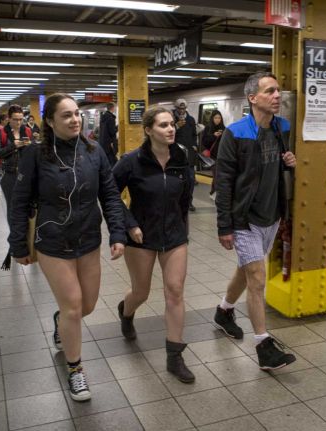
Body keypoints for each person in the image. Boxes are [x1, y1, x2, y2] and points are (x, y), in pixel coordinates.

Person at [8, 93, 126, 401]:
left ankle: (60, 321)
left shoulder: (94, 150)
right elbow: (19, 202)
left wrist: (117, 233)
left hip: (88, 238)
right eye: (66, 115)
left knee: (86, 306)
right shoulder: (35, 156)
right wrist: (17, 243)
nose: (75, 119)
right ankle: (75, 370)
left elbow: (110, 195)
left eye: (77, 114)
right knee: (74, 305)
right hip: (52, 240)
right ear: (50, 121)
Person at [212, 72, 298, 370]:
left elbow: (281, 164)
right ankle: (263, 345)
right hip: (244, 218)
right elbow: (223, 184)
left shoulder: (282, 127)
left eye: (279, 91)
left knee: (246, 270)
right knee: (257, 278)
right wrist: (224, 226)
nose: (278, 96)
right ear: (253, 98)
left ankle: (224, 311)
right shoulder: (235, 134)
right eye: (270, 91)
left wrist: (291, 162)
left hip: (271, 216)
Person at [112, 105, 196, 383]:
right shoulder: (131, 161)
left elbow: (186, 196)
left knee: (175, 291)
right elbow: (110, 194)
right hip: (141, 237)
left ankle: (174, 356)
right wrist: (129, 223)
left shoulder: (182, 158)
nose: (170, 128)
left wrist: (182, 226)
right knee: (141, 291)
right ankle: (126, 311)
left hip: (174, 235)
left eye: (172, 124)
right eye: (163, 125)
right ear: (148, 130)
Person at [0, 105, 34, 270]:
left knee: (29, 206)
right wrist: (13, 146)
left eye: (20, 119)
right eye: (15, 119)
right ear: (8, 118)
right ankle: (15, 242)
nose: (18, 122)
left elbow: (33, 152)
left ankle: (28, 237)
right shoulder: (1, 133)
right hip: (8, 175)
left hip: (25, 174)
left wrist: (30, 145)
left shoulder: (28, 131)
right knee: (13, 207)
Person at [173, 98, 198, 211]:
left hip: (189, 154)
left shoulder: (191, 120)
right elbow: (167, 133)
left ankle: (189, 202)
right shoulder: (172, 119)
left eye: (183, 108)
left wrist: (194, 145)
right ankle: (176, 201)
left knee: (191, 179)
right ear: (176, 108)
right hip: (176, 153)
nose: (182, 111)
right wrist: (176, 126)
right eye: (179, 108)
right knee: (176, 179)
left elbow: (194, 134)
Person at [201, 110, 225, 199]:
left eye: (219, 118)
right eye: (215, 118)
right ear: (212, 118)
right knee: (216, 174)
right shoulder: (208, 128)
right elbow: (204, 142)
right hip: (212, 156)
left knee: (219, 175)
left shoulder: (224, 128)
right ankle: (213, 193)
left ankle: (214, 192)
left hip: (222, 155)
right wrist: (213, 136)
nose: (218, 120)